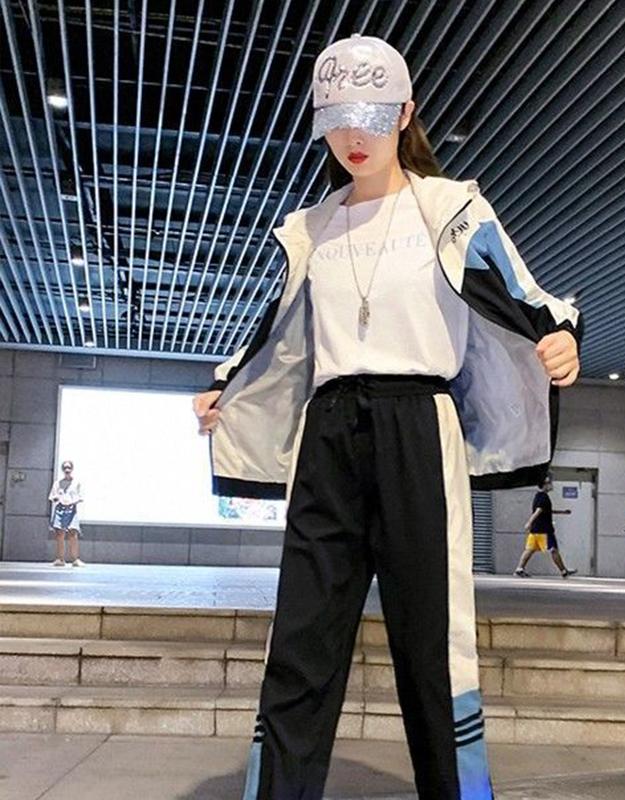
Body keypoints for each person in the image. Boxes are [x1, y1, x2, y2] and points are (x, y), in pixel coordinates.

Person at [192, 33, 582, 800]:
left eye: (371, 116)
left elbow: (530, 295)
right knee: (300, 641)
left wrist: (562, 336)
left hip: (418, 426)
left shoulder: (451, 209)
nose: (354, 135)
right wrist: (227, 386)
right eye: (337, 117)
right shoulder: (311, 227)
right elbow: (283, 337)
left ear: (406, 114)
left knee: (433, 646)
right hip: (328, 434)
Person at [513, 475, 577, 579]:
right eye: (550, 483)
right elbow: (538, 511)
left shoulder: (538, 496)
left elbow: (545, 511)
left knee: (529, 549)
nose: (552, 485)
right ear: (545, 485)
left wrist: (562, 512)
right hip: (544, 530)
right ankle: (564, 571)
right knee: (553, 550)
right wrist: (529, 522)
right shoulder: (544, 497)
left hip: (535, 529)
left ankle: (519, 569)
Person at [48, 460, 85, 567]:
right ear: (62, 470)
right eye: (65, 468)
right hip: (60, 509)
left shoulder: (76, 482)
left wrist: (72, 501)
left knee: (73, 534)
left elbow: (81, 497)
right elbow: (52, 496)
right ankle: (60, 559)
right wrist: (57, 498)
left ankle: (75, 559)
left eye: (69, 467)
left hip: (71, 509)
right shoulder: (57, 483)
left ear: (72, 469)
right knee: (60, 534)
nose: (67, 470)